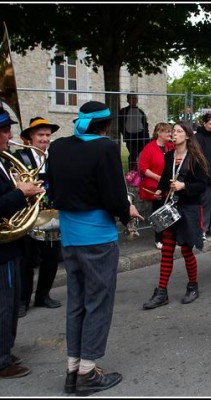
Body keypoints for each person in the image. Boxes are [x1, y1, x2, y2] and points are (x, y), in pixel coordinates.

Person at [47, 101, 142, 396]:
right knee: (98, 303)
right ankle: (88, 373)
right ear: (106, 125)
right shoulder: (104, 148)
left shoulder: (59, 146)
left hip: (70, 238)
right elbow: (114, 196)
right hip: (97, 238)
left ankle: (72, 369)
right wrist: (128, 211)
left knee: (77, 303)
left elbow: (52, 187)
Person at [142, 121, 209, 309]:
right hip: (171, 209)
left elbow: (202, 186)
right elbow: (165, 178)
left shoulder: (196, 157)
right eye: (173, 131)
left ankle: (193, 286)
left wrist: (184, 186)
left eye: (178, 131)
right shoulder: (170, 155)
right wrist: (159, 190)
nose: (174, 134)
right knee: (167, 250)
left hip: (188, 209)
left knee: (187, 250)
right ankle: (161, 292)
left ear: (187, 136)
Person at [0, 109, 45, 379]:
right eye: (5, 131)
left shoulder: (4, 161)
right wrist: (21, 192)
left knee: (11, 299)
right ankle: (2, 360)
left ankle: (5, 348)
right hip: (2, 249)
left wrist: (24, 189)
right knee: (4, 304)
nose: (11, 136)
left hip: (11, 244)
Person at [15, 117, 62, 318]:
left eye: (47, 135)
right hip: (28, 214)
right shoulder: (20, 156)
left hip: (50, 214)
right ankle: (23, 299)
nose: (44, 139)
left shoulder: (56, 156)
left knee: (51, 257)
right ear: (30, 138)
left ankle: (43, 295)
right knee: (27, 259)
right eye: (40, 135)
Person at [138, 122, 174, 249]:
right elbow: (143, 168)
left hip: (170, 186)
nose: (170, 134)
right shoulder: (149, 148)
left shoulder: (171, 147)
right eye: (167, 131)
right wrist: (159, 178)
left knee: (170, 212)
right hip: (156, 187)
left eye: (170, 131)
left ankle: (169, 237)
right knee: (158, 212)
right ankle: (159, 239)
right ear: (158, 133)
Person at [118, 93, 150, 171]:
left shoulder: (141, 112)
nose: (134, 100)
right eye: (132, 98)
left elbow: (145, 125)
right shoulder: (123, 111)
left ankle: (142, 171)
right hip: (130, 136)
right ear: (128, 100)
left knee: (142, 155)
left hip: (141, 136)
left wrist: (147, 137)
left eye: (135, 98)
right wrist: (125, 134)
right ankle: (132, 174)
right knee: (133, 155)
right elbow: (120, 125)